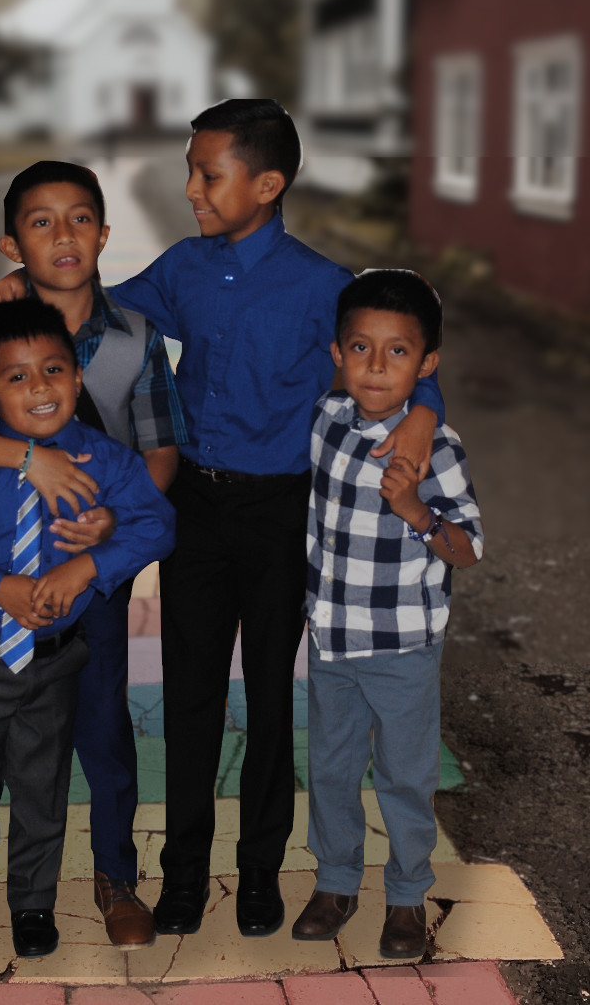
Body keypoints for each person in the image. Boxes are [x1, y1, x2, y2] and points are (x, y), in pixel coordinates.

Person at [0, 100, 444, 938]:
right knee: (190, 694)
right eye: (191, 171)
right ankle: (184, 871)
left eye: (206, 173)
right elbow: (92, 304)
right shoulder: (184, 269)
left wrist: (422, 417)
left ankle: (259, 869)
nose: (189, 187)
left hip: (280, 512)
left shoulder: (323, 285)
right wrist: (25, 287)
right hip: (193, 505)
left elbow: (402, 359)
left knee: (270, 695)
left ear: (267, 183)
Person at [0, 160, 187, 948]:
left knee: (98, 726)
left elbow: (160, 454)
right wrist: (26, 460)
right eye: (40, 222)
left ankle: (113, 873)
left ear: (104, 234)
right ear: (13, 241)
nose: (62, 236)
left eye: (78, 219)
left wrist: (107, 532)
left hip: (87, 577)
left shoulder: (136, 336)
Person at [292, 269, 482, 959]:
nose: (376, 365)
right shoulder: (325, 421)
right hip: (333, 638)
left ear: (426, 363)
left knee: (405, 774)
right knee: (333, 768)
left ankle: (406, 894)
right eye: (361, 348)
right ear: (338, 353)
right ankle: (337, 879)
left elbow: (467, 549)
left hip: (402, 643)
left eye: (398, 351)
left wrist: (416, 511)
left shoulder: (438, 447)